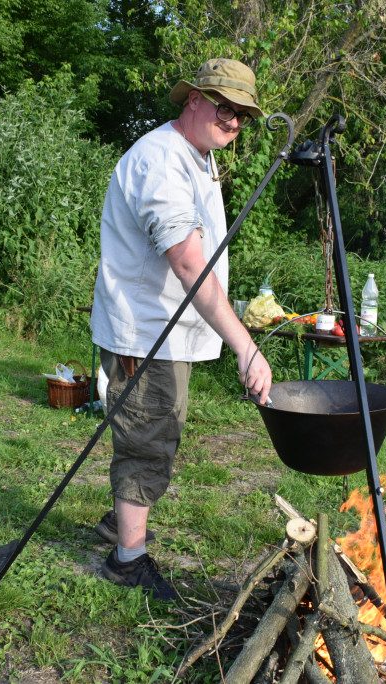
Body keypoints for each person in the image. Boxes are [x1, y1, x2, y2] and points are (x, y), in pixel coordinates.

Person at [89, 58, 274, 601]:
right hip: (145, 335)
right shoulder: (161, 162)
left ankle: (123, 514)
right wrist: (246, 346)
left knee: (154, 435)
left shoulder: (197, 157)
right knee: (147, 442)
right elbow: (189, 264)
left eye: (243, 113)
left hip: (168, 332)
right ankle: (127, 560)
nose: (234, 120)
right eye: (225, 106)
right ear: (192, 98)